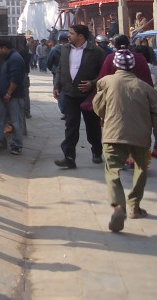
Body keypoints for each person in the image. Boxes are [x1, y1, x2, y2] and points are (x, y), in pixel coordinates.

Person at [93, 49, 157, 232]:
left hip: (113, 134)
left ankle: (119, 206)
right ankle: (135, 206)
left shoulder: (106, 82)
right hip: (140, 136)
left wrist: (104, 115)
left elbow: (98, 107)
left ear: (115, 65)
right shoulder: (146, 88)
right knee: (140, 169)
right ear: (133, 67)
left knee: (113, 171)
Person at [52, 24, 107, 169]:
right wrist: (57, 85)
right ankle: (69, 157)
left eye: (71, 33)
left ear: (81, 36)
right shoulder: (65, 49)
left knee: (92, 126)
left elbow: (104, 73)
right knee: (71, 126)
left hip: (88, 96)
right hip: (69, 94)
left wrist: (93, 83)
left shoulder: (96, 51)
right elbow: (60, 69)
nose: (68, 36)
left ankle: (96, 151)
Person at [0, 40, 27, 155]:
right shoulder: (9, 58)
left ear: (5, 48)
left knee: (16, 122)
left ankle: (17, 145)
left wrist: (9, 93)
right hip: (4, 96)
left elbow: (15, 79)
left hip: (13, 96)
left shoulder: (15, 59)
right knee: (0, 120)